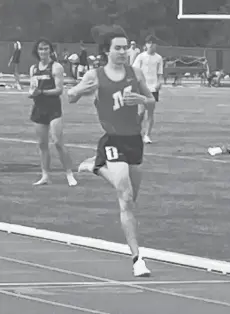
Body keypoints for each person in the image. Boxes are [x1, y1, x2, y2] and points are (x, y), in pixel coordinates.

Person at [67, 27, 155, 277]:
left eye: (125, 47)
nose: (123, 52)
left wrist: (141, 99)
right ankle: (138, 259)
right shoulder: (95, 75)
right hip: (112, 140)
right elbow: (71, 96)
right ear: (107, 50)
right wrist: (82, 89)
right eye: (117, 47)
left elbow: (151, 100)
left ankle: (95, 166)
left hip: (134, 141)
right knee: (125, 195)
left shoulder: (135, 73)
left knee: (130, 199)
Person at [29, 38, 77, 187]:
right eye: (40, 49)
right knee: (42, 144)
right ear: (37, 51)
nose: (43, 52)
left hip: (53, 108)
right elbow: (33, 87)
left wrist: (41, 92)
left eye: (46, 49)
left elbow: (59, 90)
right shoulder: (33, 68)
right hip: (39, 108)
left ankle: (69, 173)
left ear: (50, 50)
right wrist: (32, 93)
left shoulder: (56, 67)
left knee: (57, 141)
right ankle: (45, 175)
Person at [133, 35, 163, 144]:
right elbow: (135, 70)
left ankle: (147, 135)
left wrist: (159, 83)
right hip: (142, 87)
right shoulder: (141, 57)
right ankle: (136, 131)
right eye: (149, 43)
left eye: (153, 43)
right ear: (146, 45)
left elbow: (160, 73)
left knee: (150, 113)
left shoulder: (159, 58)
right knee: (141, 112)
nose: (151, 45)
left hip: (153, 88)